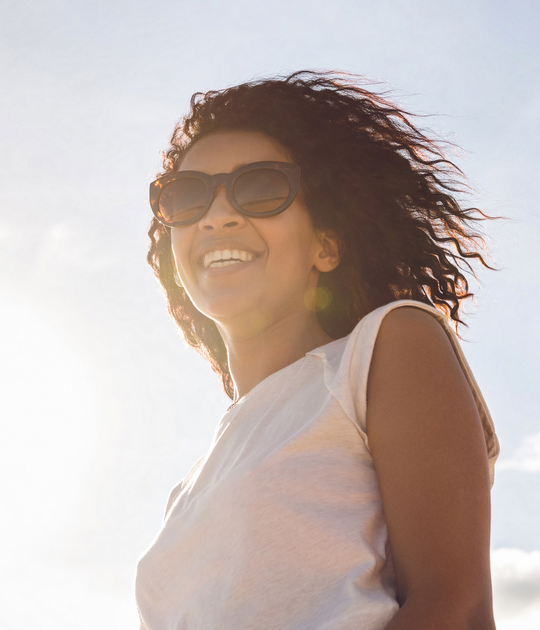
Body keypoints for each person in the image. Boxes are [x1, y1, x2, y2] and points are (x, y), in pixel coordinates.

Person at [136, 71, 500, 630]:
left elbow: (456, 607)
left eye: (258, 189)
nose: (216, 216)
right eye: (187, 198)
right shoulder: (188, 493)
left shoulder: (384, 346)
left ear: (326, 245)